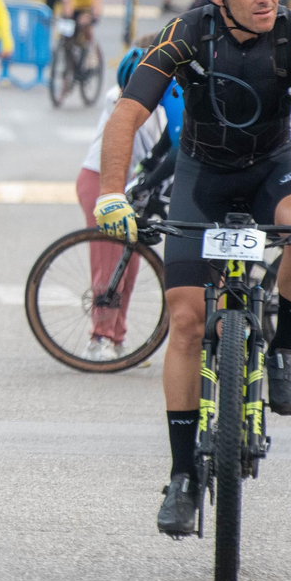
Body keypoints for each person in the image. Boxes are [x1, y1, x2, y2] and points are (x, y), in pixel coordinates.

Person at [93, 0, 291, 538]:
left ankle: (284, 351)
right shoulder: (186, 33)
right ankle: (182, 477)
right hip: (203, 177)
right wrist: (112, 193)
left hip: (274, 167)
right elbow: (127, 114)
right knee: (187, 319)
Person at [78, 40, 168, 360]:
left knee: (130, 266)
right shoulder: (121, 97)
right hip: (100, 181)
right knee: (110, 262)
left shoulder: (166, 101)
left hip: (136, 188)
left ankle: (117, 338)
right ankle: (99, 337)